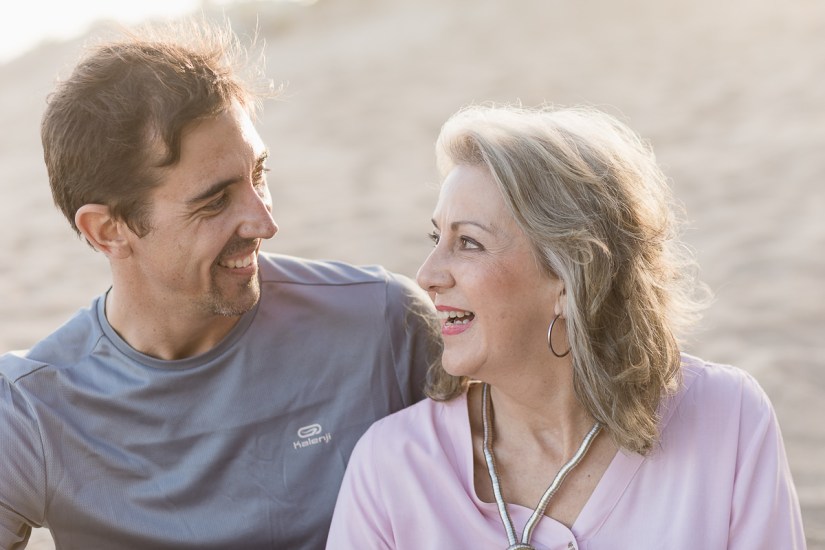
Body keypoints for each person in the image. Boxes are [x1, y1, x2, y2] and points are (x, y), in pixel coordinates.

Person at [0, 21, 439, 550]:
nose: (264, 223)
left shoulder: (384, 323)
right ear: (108, 231)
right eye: (215, 201)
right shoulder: (32, 411)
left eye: (259, 175)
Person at [325, 104, 806, 549]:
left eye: (468, 242)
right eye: (436, 238)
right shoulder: (391, 469)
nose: (427, 275)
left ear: (568, 277)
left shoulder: (727, 418)